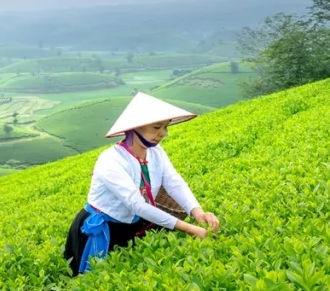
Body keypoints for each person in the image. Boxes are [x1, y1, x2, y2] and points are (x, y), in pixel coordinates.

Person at [64, 92, 220, 276]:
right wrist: (188, 228)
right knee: (94, 280)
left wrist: (197, 212)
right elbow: (136, 204)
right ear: (135, 128)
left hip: (131, 225)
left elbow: (174, 183)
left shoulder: (156, 153)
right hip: (101, 230)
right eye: (156, 127)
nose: (163, 133)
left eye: (165, 127)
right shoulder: (111, 160)